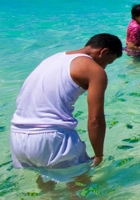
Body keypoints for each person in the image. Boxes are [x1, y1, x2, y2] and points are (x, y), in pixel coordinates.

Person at [10, 34, 123, 182]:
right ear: (103, 52)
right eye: (108, 62)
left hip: (17, 136)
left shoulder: (52, 58)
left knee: (46, 187)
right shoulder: (94, 70)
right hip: (53, 137)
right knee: (79, 189)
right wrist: (99, 155)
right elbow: (95, 119)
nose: (104, 66)